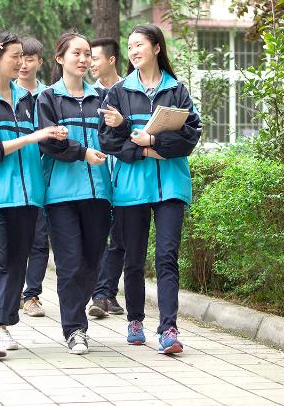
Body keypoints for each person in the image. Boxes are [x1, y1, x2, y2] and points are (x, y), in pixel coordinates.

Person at [0, 28, 68, 360]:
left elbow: (44, 140)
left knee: (16, 263)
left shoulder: (29, 100)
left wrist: (57, 137)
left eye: (24, 56)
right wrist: (31, 137)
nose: (22, 63)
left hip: (27, 195)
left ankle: (4, 321)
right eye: (15, 56)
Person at [98, 24, 201, 355]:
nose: (134, 51)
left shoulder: (177, 91)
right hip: (130, 188)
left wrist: (153, 138)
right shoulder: (119, 92)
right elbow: (108, 140)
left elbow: (189, 137)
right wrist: (144, 149)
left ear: (157, 48)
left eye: (139, 45)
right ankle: (135, 321)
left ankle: (169, 329)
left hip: (170, 185)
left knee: (167, 256)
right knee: (134, 258)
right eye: (130, 47)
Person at [37, 31, 112, 354]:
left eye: (87, 54)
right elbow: (48, 142)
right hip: (61, 195)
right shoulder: (48, 98)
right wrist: (82, 152)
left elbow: (111, 138)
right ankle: (75, 329)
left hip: (99, 192)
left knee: (92, 262)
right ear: (60, 58)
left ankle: (75, 314)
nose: (83, 60)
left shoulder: (102, 98)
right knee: (69, 263)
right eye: (76, 54)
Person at [88, 37, 126, 317]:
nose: (89, 63)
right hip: (97, 175)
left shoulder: (129, 92)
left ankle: (105, 293)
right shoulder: (89, 95)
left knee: (121, 237)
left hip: (124, 174)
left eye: (95, 58)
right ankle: (99, 292)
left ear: (111, 60)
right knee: (99, 236)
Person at [16, 36, 49, 318]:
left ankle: (31, 295)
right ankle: (12, 291)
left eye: (30, 59)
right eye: (20, 58)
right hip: (14, 177)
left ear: (40, 61)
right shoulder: (6, 94)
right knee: (14, 238)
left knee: (40, 238)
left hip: (43, 177)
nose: (24, 64)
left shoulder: (50, 95)